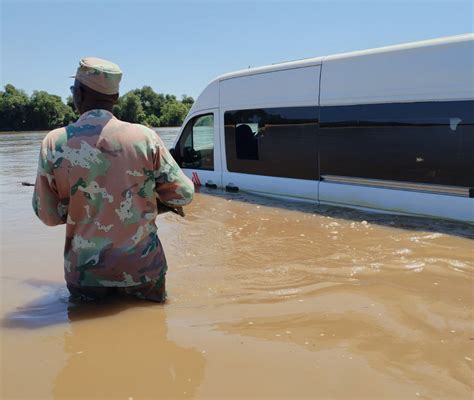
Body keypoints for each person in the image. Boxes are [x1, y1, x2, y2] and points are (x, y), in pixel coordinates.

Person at [32, 57, 194, 302]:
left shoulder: (55, 143)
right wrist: (149, 202)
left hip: (86, 274)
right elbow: (183, 194)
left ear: (79, 93)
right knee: (151, 335)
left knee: (84, 339)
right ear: (115, 98)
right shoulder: (145, 137)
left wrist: (77, 207)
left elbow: (47, 215)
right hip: (143, 269)